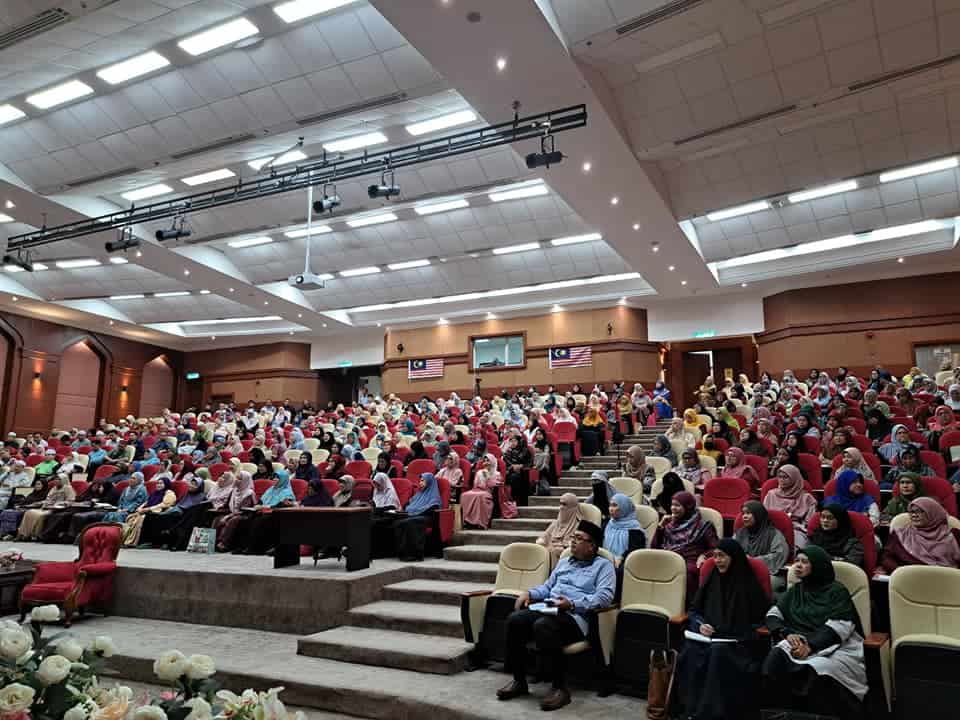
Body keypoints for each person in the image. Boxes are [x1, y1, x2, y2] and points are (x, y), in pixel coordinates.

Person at [497, 520, 615, 712]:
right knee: (515, 620)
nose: (573, 542)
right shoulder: (564, 561)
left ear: (592, 545)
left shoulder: (603, 566)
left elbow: (604, 597)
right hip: (549, 608)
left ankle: (559, 688)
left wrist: (573, 604)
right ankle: (519, 681)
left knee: (544, 626)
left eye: (578, 538)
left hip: (575, 617)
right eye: (573, 537)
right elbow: (547, 587)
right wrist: (530, 593)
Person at [762, 546, 867, 717]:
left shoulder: (836, 591)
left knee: (816, 669)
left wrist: (810, 646)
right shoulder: (796, 590)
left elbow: (840, 627)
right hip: (798, 639)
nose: (798, 565)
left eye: (804, 562)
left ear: (818, 566)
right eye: (797, 561)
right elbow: (773, 615)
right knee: (774, 661)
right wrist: (786, 633)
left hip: (835, 645)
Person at [678, 538, 771, 720]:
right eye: (715, 556)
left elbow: (759, 621)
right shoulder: (712, 578)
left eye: (722, 556)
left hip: (738, 643)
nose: (717, 560)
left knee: (717, 654)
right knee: (690, 651)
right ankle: (689, 710)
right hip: (708, 638)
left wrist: (727, 631)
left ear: (734, 558)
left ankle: (709, 714)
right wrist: (700, 625)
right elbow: (695, 610)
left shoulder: (748, 584)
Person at [652, 491, 719, 604]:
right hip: (668, 558)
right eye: (672, 505)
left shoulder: (703, 526)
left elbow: (716, 548)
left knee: (686, 572)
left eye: (677, 505)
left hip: (690, 560)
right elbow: (654, 548)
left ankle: (689, 607)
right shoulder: (668, 524)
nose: (673, 508)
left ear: (688, 507)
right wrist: (660, 527)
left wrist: (704, 555)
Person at [880, 497, 960, 572]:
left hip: (947, 579)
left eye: (920, 511)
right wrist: (900, 571)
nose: (914, 515)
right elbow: (886, 558)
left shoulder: (954, 534)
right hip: (910, 579)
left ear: (933, 513)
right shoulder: (900, 534)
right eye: (912, 512)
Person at [734, 501, 789, 588]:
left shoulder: (773, 534)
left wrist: (753, 561)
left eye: (748, 513)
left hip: (770, 574)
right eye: (743, 513)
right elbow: (730, 551)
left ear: (758, 515)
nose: (744, 516)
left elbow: (779, 555)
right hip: (742, 571)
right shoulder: (740, 533)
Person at [763, 464, 818, 548]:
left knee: (799, 546)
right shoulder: (771, 495)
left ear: (794, 478)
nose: (781, 480)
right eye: (780, 477)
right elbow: (763, 516)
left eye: (785, 477)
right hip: (773, 528)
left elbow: (809, 522)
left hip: (795, 529)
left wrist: (796, 526)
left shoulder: (806, 498)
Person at [394, 472, 442, 561]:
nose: (420, 483)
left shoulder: (434, 496)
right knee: (398, 522)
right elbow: (408, 504)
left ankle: (414, 554)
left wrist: (414, 512)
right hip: (414, 516)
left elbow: (432, 508)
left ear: (429, 482)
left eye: (423, 481)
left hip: (427, 518)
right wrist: (404, 510)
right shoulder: (419, 494)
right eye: (420, 481)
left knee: (410, 522)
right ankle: (401, 553)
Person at [121, 476, 176, 546]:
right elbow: (146, 502)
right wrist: (140, 508)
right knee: (131, 518)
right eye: (157, 483)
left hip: (157, 513)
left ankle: (132, 541)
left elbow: (164, 504)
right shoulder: (155, 493)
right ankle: (125, 539)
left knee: (140, 520)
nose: (158, 485)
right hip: (146, 511)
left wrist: (148, 509)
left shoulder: (169, 493)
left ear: (166, 484)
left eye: (161, 483)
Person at [810, 504, 865, 568]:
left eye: (830, 518)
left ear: (840, 521)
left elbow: (850, 566)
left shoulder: (852, 543)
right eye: (822, 517)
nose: (825, 520)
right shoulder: (816, 536)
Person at [536, 493, 582, 566]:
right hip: (548, 552)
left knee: (555, 551)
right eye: (560, 504)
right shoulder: (555, 523)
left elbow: (574, 545)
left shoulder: (580, 526)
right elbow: (542, 538)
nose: (561, 507)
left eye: (564, 504)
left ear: (572, 507)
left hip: (566, 559)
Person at [460, 453, 501, 529]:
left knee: (479, 496)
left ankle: (479, 522)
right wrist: (482, 475)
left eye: (488, 460)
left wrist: (487, 476)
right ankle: (467, 521)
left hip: (488, 491)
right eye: (484, 460)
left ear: (492, 462)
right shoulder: (479, 472)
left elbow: (492, 485)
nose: (486, 462)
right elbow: (475, 484)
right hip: (477, 489)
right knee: (464, 495)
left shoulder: (497, 473)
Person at [603, 493, 643, 567]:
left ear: (624, 507)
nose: (610, 509)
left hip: (625, 563)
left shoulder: (635, 529)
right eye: (610, 505)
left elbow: (635, 551)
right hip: (605, 560)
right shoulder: (607, 523)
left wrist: (621, 558)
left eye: (614, 505)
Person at [503, 434, 533, 507]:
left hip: (523, 472)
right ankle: (512, 500)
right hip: (510, 472)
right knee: (512, 477)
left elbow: (530, 463)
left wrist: (521, 466)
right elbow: (505, 463)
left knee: (517, 477)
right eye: (511, 441)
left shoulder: (525, 451)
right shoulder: (508, 452)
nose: (512, 443)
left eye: (514, 441)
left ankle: (520, 502)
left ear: (519, 442)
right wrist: (512, 467)